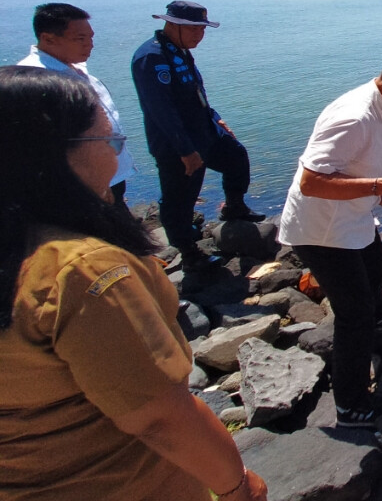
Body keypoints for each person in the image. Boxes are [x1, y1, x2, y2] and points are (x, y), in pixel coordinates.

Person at [0, 66, 267, 500]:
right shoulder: (85, 270)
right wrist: (236, 485)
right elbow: (159, 417)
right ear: (54, 156)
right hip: (123, 483)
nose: (117, 156)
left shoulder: (20, 246)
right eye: (110, 141)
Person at [278, 40, 382, 428]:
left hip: (352, 219)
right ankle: (350, 405)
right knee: (352, 315)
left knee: (371, 262)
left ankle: (381, 321)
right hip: (320, 229)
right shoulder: (354, 116)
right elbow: (311, 182)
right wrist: (381, 188)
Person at [132, 0, 264, 273]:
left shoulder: (179, 50)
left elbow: (194, 94)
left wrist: (216, 118)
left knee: (236, 157)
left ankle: (234, 207)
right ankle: (189, 253)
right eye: (193, 29)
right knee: (180, 197)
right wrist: (185, 149)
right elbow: (161, 110)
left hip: (204, 132)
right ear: (170, 24)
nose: (199, 35)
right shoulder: (153, 57)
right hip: (176, 144)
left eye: (202, 29)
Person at [18, 2, 136, 207]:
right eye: (80, 39)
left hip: (108, 176)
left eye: (91, 37)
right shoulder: (34, 80)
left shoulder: (71, 67)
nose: (90, 44)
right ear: (48, 39)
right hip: (83, 185)